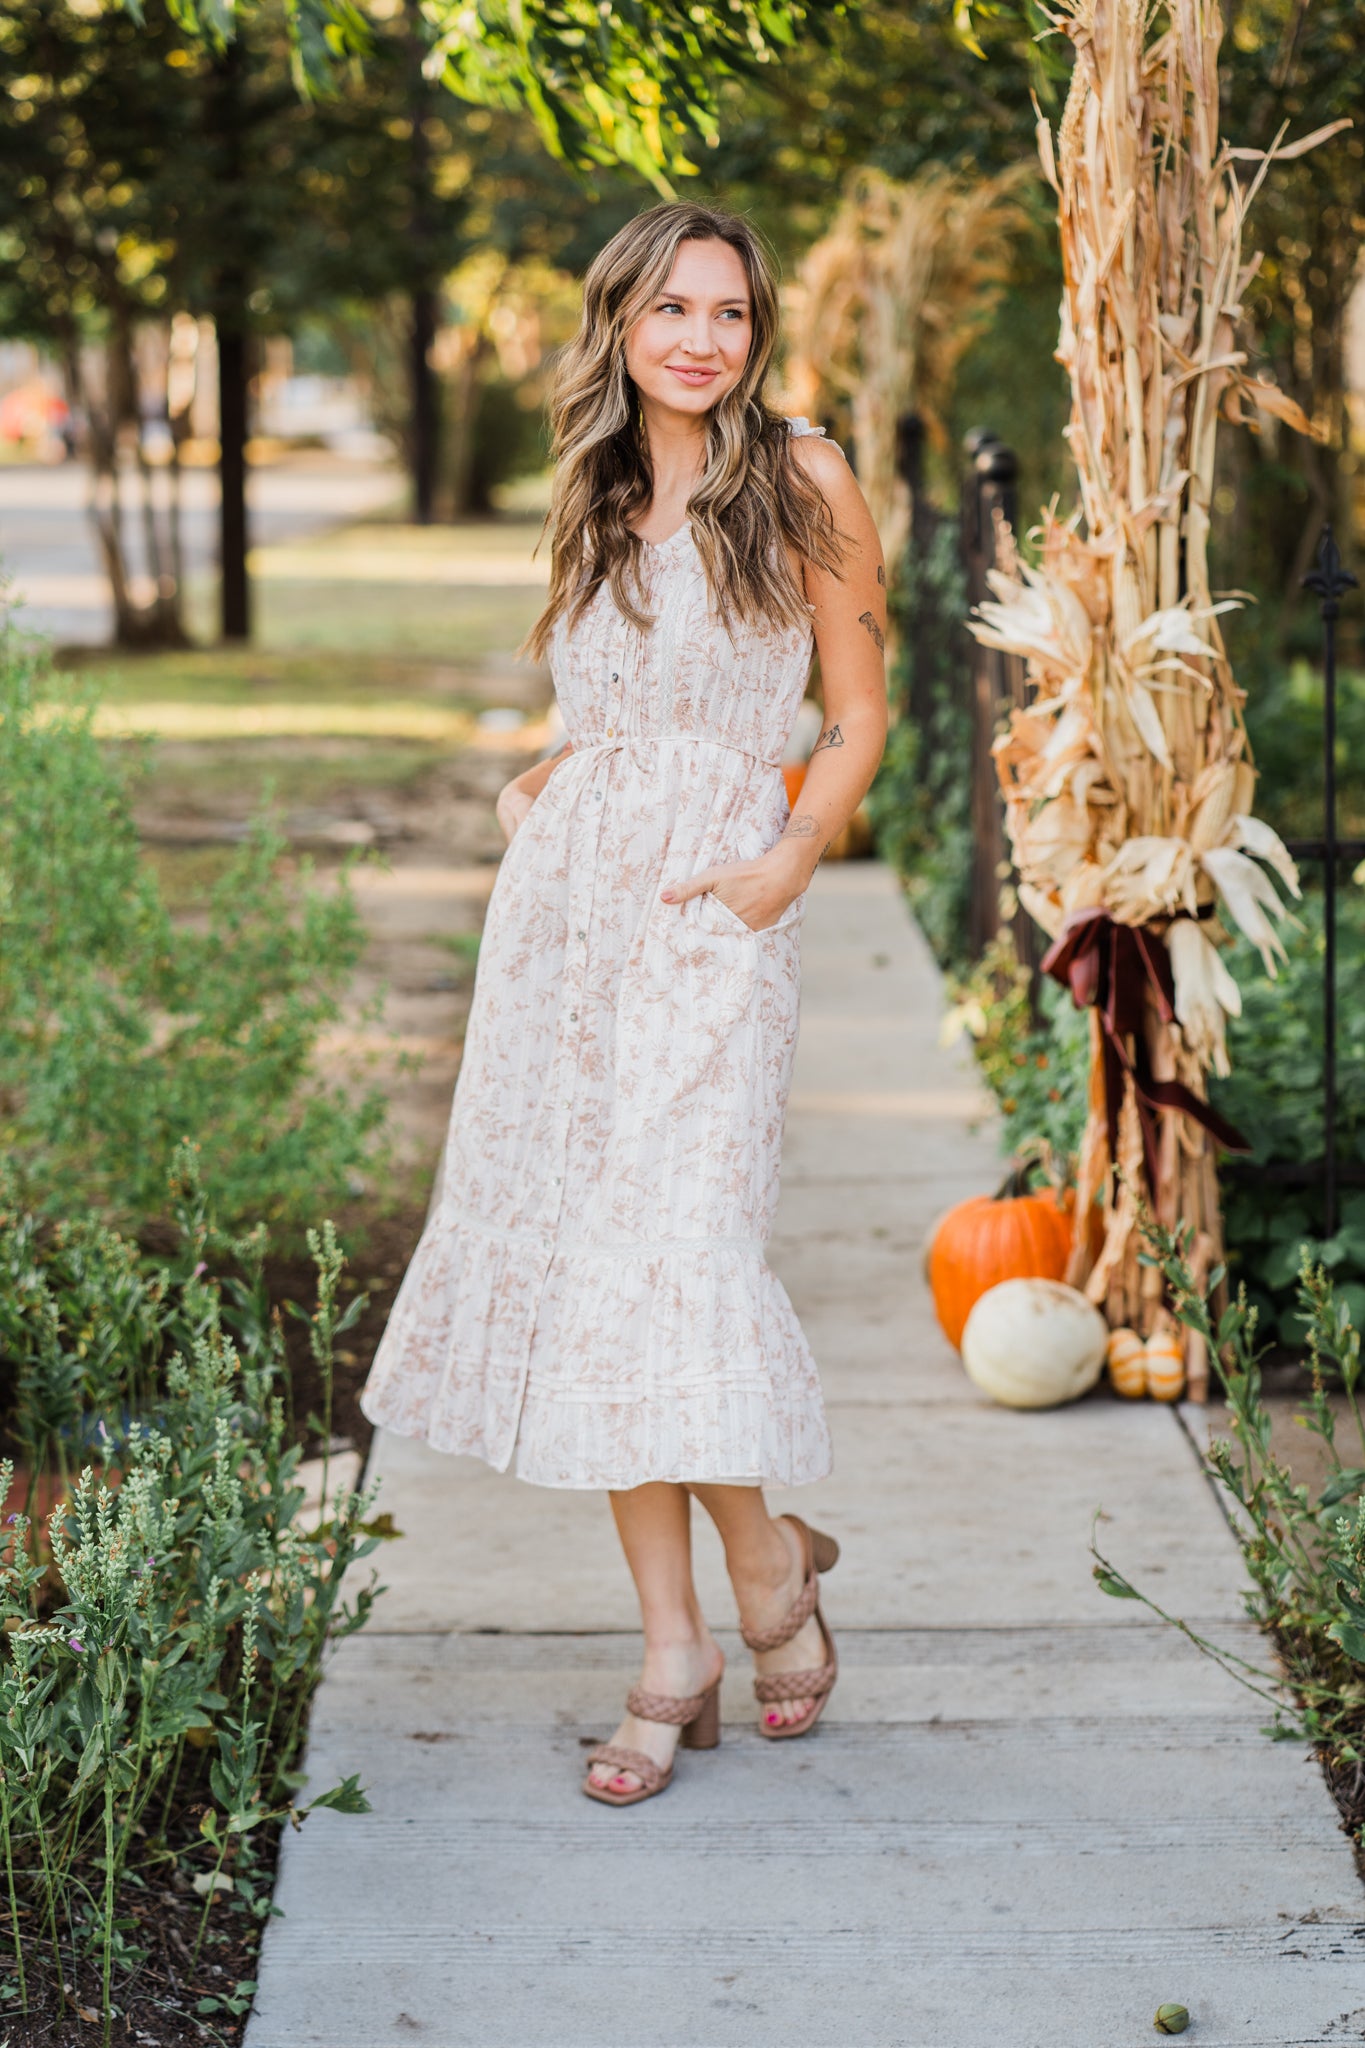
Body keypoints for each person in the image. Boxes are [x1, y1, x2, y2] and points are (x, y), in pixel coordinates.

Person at [361, 201, 886, 1806]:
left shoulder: (800, 475)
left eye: (728, 312)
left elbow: (855, 718)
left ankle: (766, 1568)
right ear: (622, 321)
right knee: (599, 1273)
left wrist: (787, 855)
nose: (701, 339)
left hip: (718, 917)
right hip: (569, 927)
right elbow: (602, 703)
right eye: (672, 309)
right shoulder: (589, 485)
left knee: (677, 1251)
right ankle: (693, 1633)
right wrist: (548, 788)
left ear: (754, 333)